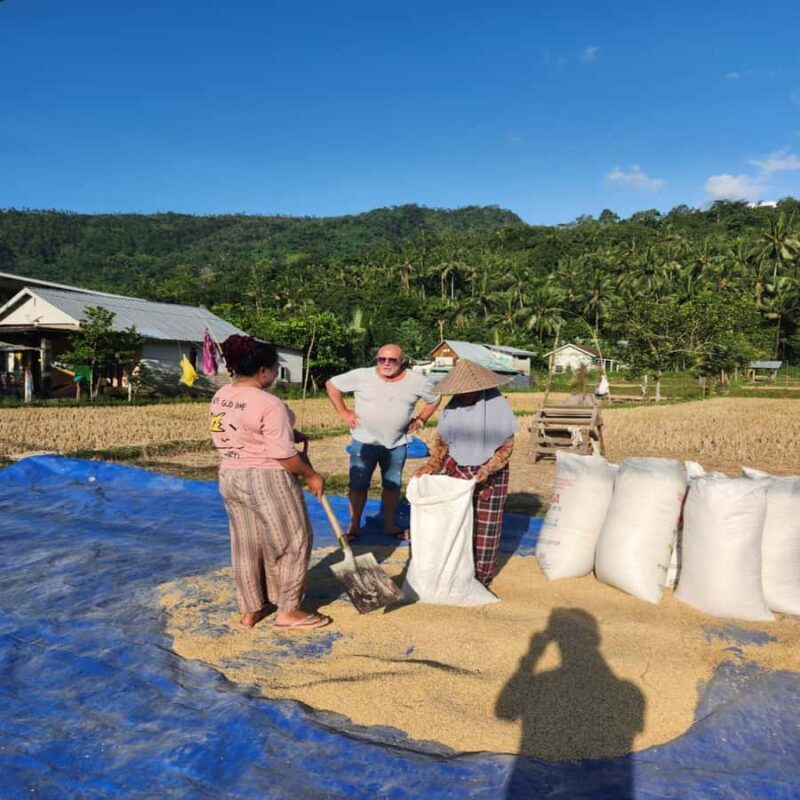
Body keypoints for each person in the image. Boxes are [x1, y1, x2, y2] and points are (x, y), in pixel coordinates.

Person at [210, 334, 331, 631]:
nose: (276, 373)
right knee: (293, 540)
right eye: (276, 368)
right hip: (266, 478)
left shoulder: (222, 395)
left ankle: (250, 610)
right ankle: (288, 611)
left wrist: (291, 433)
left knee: (247, 544)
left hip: (230, 475)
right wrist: (311, 475)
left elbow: (245, 428)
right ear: (263, 371)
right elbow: (283, 456)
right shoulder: (269, 403)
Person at [414, 359, 519, 586]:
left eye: (468, 391)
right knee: (457, 525)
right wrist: (431, 466)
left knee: (485, 527)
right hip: (458, 470)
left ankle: (481, 578)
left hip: (491, 473)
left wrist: (486, 469)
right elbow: (442, 445)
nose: (463, 396)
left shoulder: (497, 406)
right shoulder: (452, 410)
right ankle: (458, 573)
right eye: (459, 392)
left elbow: (505, 448)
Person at [326, 344, 440, 541]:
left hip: (396, 444)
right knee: (358, 485)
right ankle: (353, 527)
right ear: (377, 360)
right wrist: (343, 412)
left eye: (392, 360)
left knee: (392, 486)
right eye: (382, 359)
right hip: (363, 442)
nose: (386, 364)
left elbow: (435, 398)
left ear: (401, 361)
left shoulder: (417, 381)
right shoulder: (362, 375)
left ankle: (389, 525)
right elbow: (331, 384)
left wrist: (421, 419)